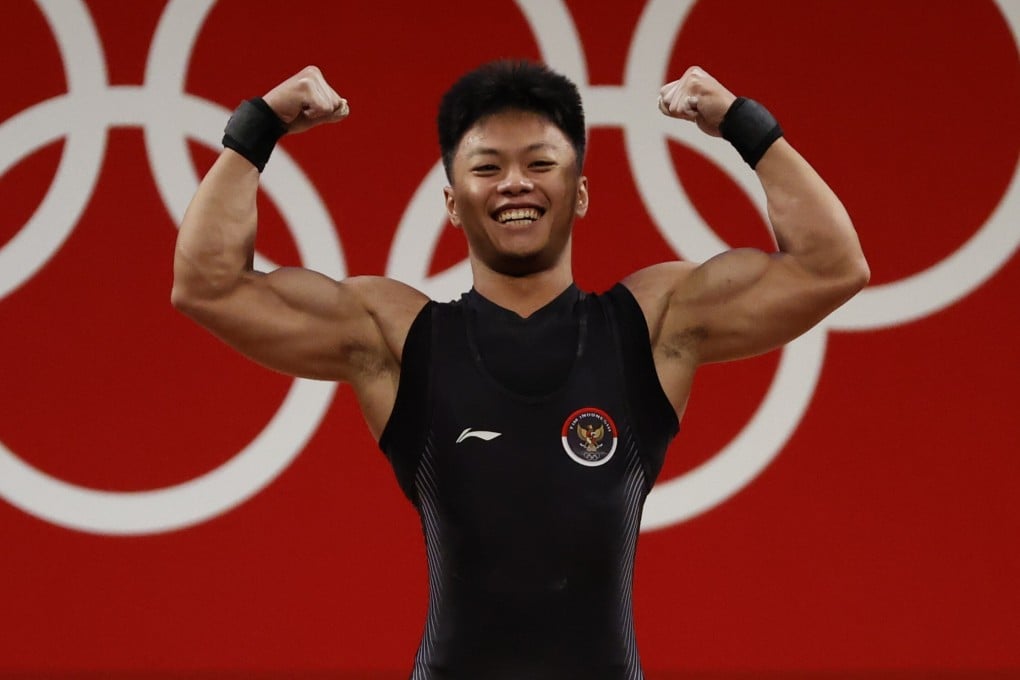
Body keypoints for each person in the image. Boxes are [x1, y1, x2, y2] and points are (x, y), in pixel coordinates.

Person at [172, 60, 869, 680]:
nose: (514, 184)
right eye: (486, 167)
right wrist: (256, 127)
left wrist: (743, 124)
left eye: (540, 164)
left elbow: (831, 266)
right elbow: (208, 286)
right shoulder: (394, 336)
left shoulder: (654, 325)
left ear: (582, 193)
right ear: (451, 202)